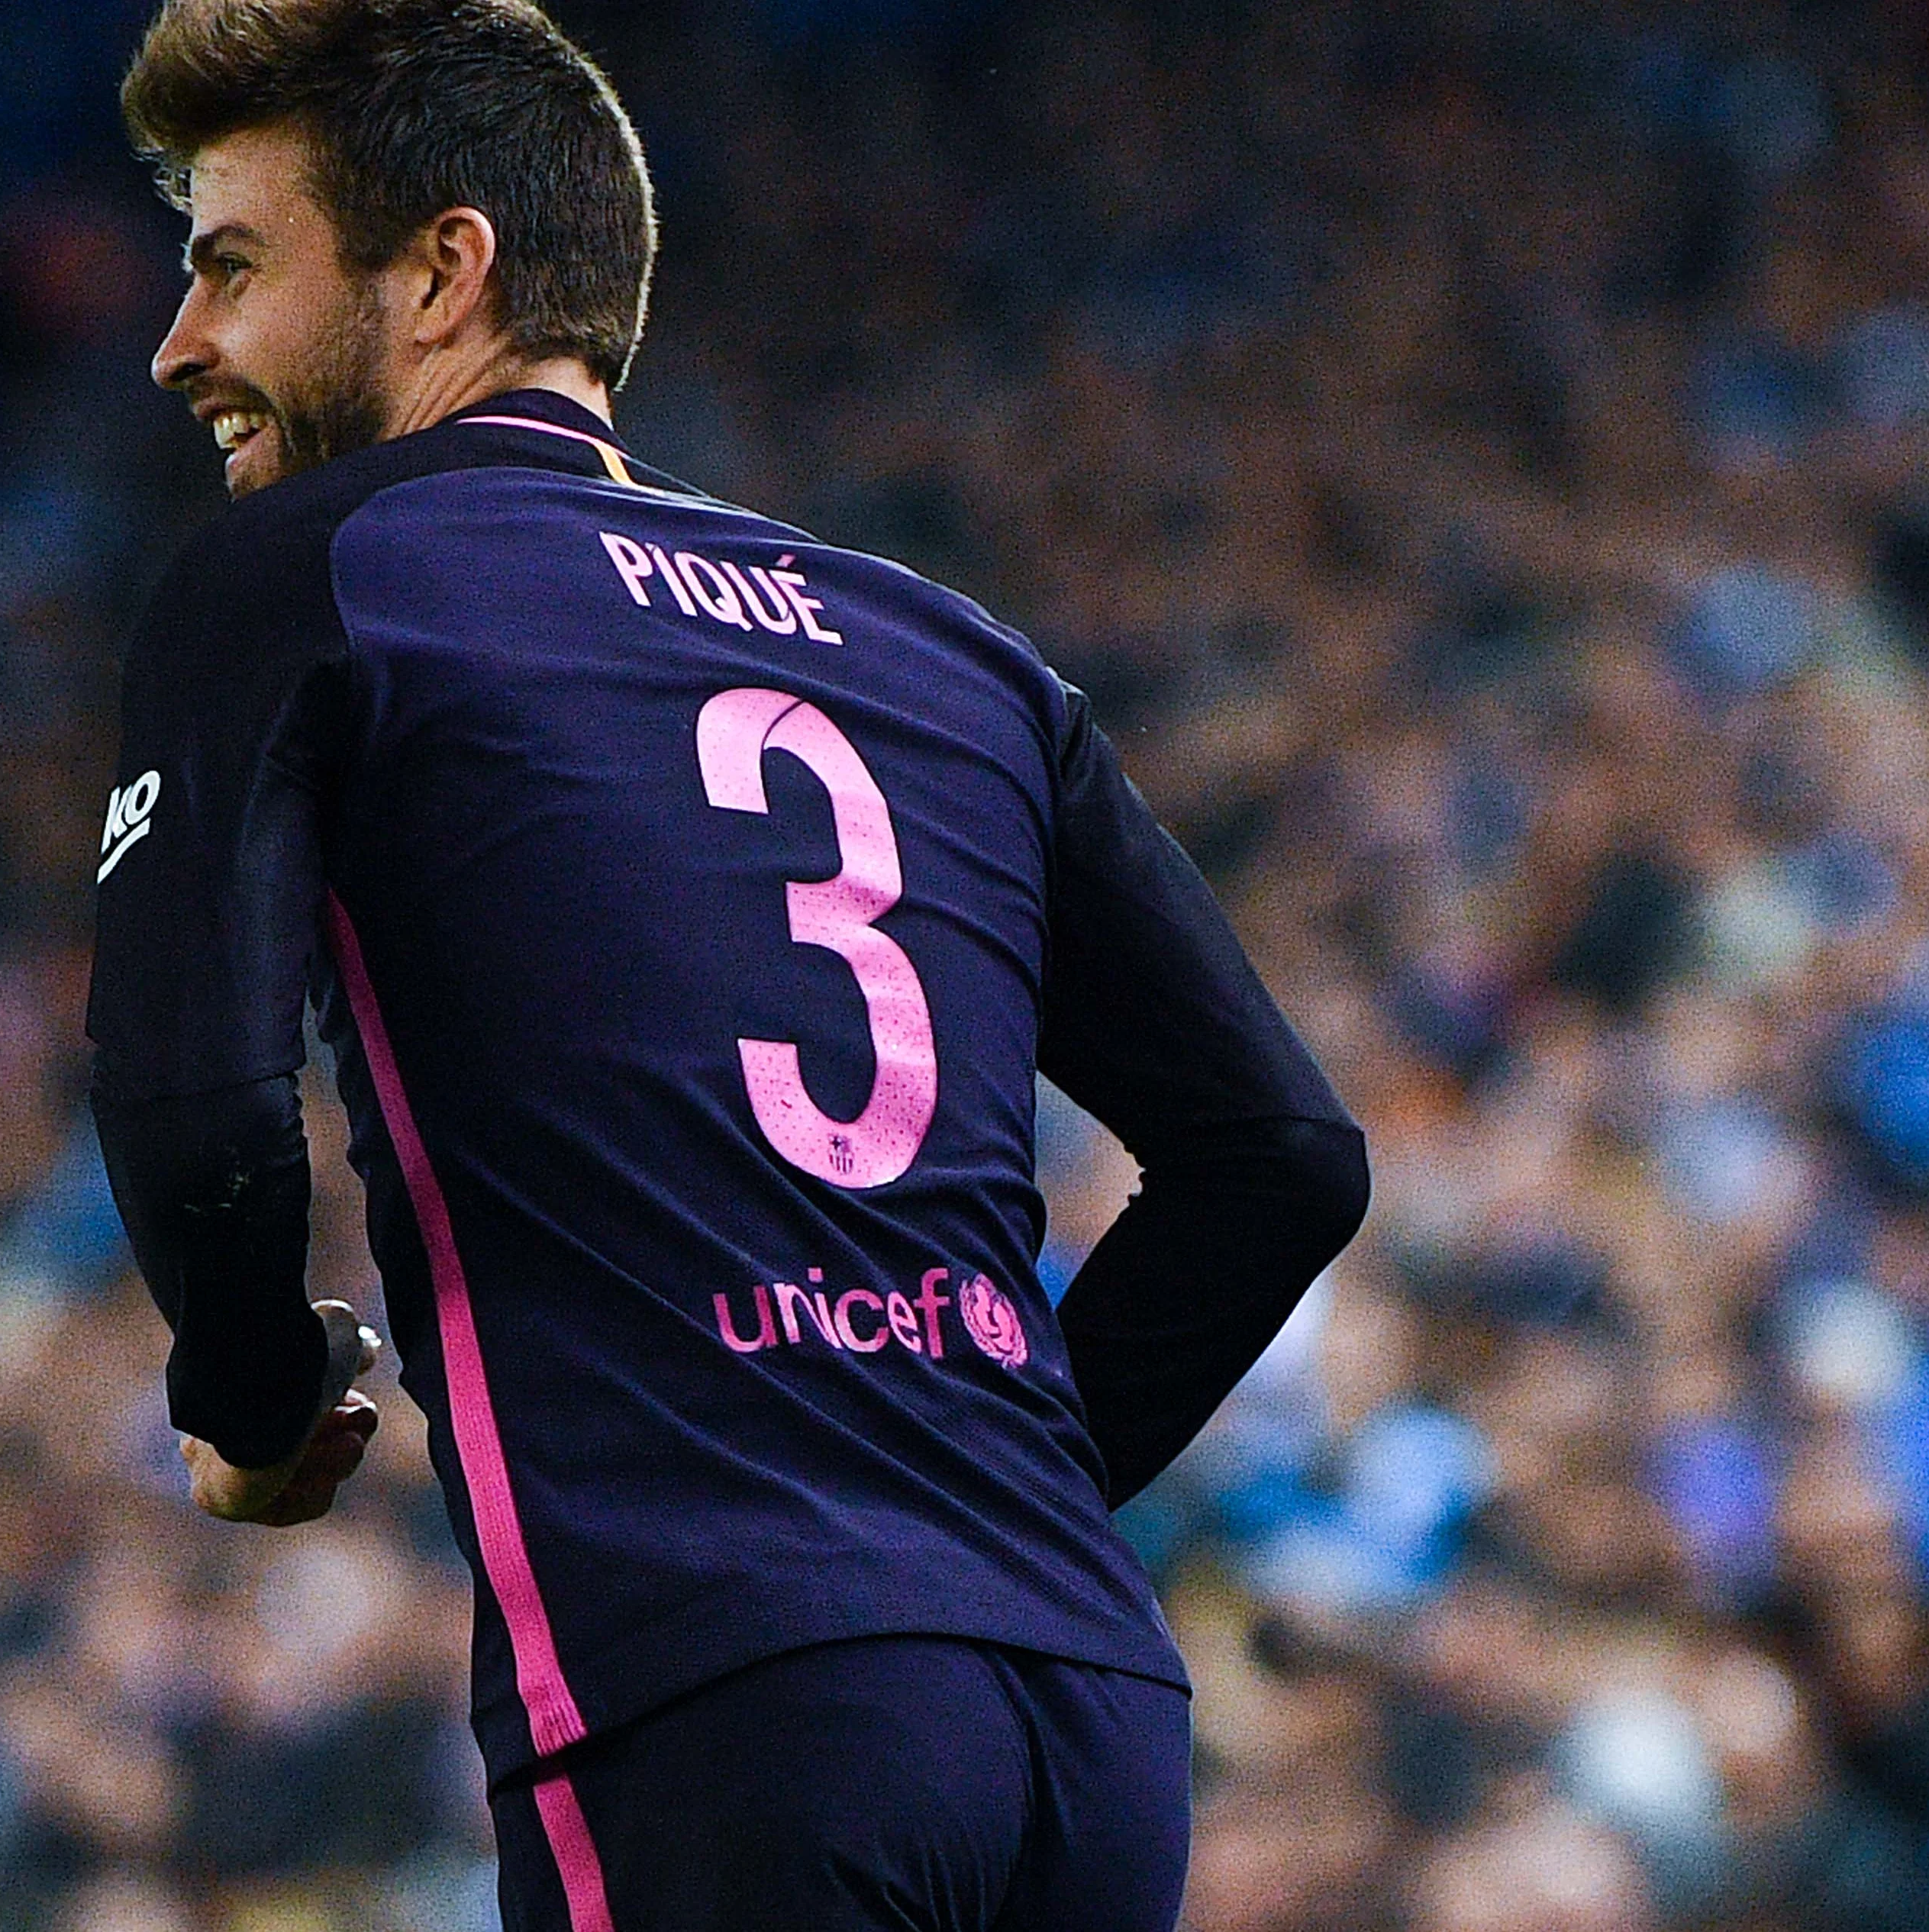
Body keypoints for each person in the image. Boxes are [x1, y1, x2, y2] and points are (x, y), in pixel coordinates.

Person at [84, 2, 1368, 1925]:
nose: (179, 345)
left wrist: (256, 1401)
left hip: (719, 1697)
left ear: (446, 271)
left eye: (231, 265)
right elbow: (1284, 1157)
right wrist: (963, 1518)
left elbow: (202, 1115)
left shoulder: (311, 571)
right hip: (1085, 1721)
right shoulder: (955, 651)